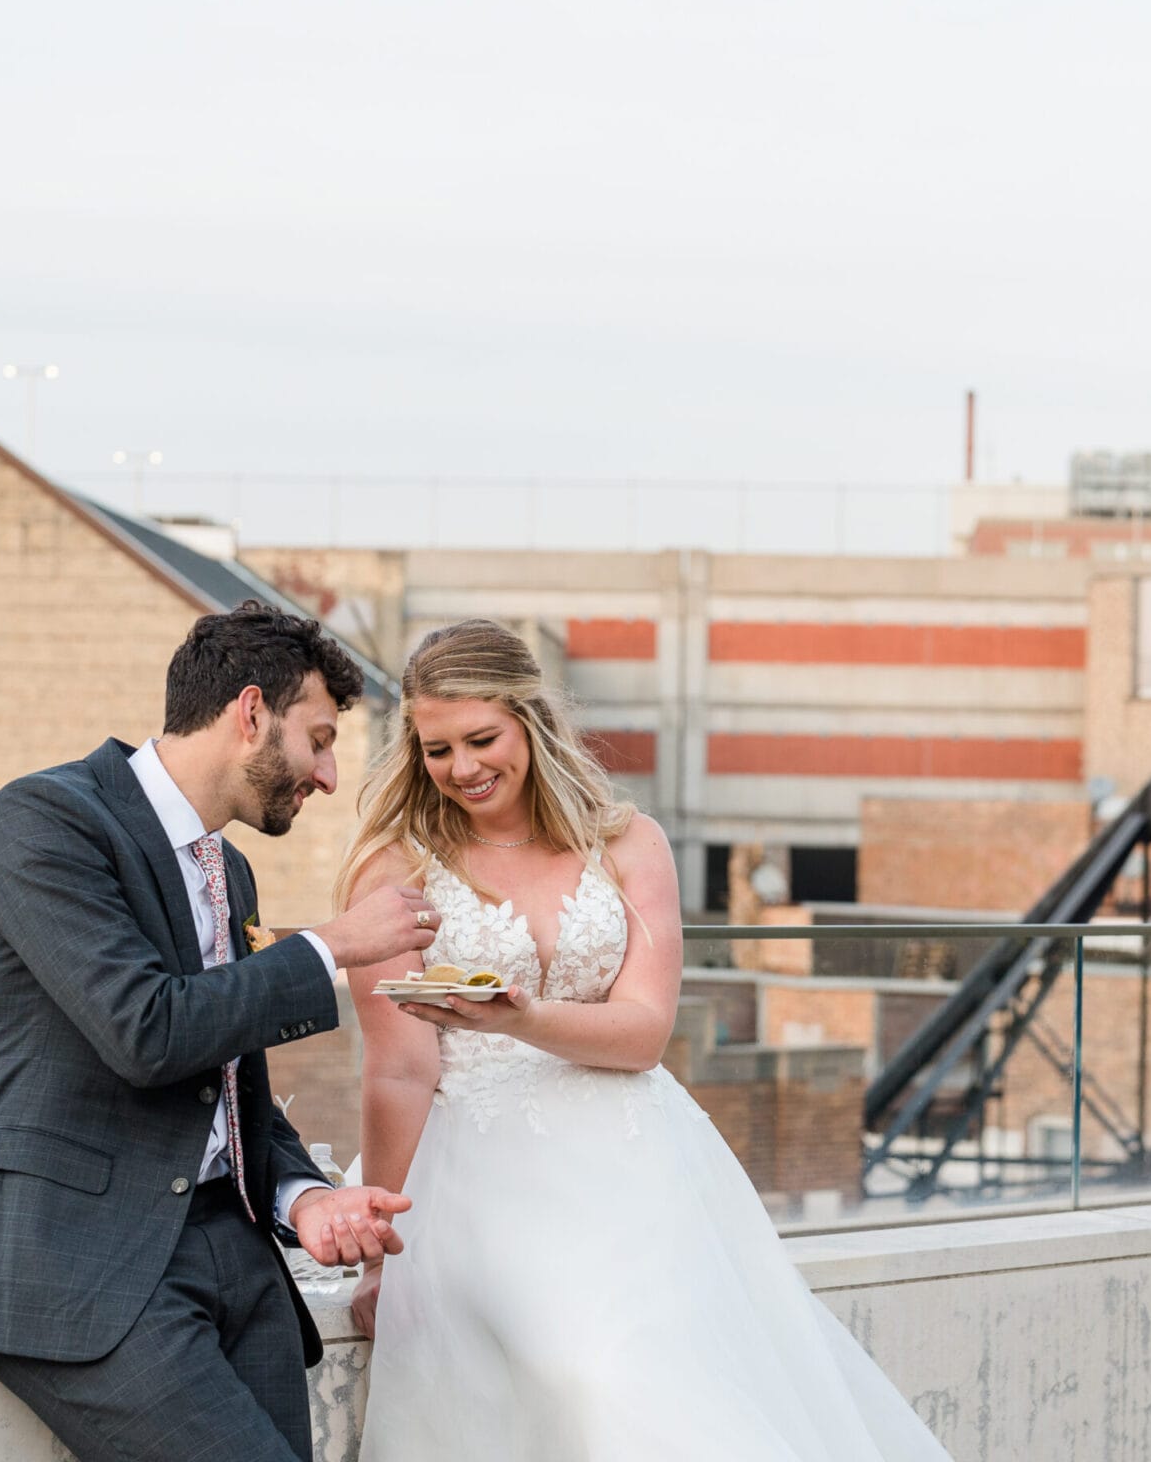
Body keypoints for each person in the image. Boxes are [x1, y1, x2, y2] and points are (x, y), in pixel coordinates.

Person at [340, 618, 951, 1461]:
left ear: (531, 721)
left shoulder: (629, 844)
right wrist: (381, 1258)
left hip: (639, 1174)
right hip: (477, 1181)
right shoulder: (395, 869)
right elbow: (399, 1071)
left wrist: (518, 1017)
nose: (464, 769)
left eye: (482, 739)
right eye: (437, 750)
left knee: (673, 1379)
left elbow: (642, 1036)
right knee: (584, 1374)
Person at [0, 602, 448, 1461]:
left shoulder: (227, 870)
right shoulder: (45, 821)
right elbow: (145, 1030)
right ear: (249, 714)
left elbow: (231, 1082)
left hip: (230, 1253)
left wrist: (303, 1197)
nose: (325, 775)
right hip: (71, 1258)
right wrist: (333, 945)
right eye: (317, 739)